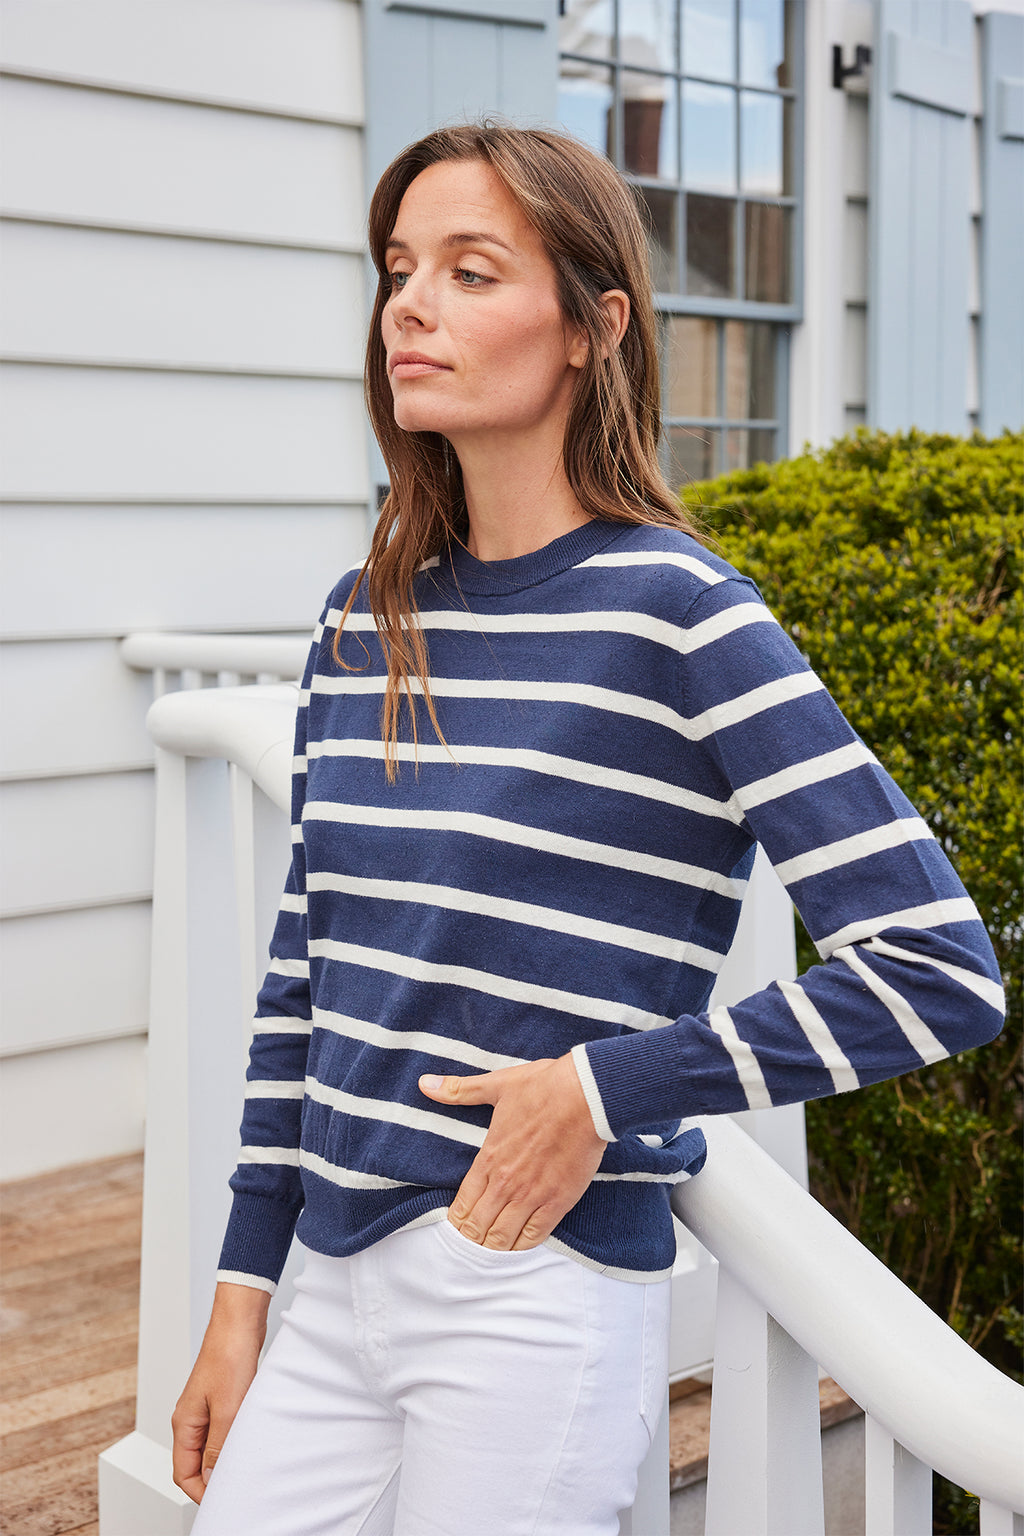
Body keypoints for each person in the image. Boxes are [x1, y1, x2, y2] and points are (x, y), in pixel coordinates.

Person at [172, 123, 1004, 1535]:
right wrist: (240, 1293)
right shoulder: (360, 621)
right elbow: (305, 978)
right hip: (328, 1281)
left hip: (528, 1295)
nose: (409, 308)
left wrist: (609, 1091)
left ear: (591, 326)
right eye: (398, 269)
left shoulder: (683, 617)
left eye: (471, 270)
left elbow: (938, 972)